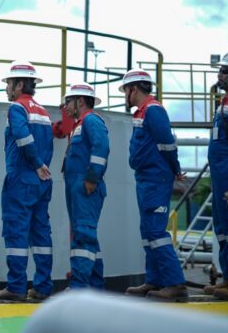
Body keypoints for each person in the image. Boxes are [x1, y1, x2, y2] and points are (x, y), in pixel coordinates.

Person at [121, 69, 187, 302]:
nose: (124, 95)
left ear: (133, 89)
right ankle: (155, 279)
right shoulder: (141, 112)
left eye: (125, 90)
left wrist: (175, 168)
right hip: (146, 177)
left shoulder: (153, 110)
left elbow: (167, 143)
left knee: (156, 232)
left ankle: (175, 284)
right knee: (147, 231)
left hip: (156, 178)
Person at [0, 61, 54, 302]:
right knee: (41, 234)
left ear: (19, 85)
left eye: (9, 83)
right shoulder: (43, 112)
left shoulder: (18, 108)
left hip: (22, 177)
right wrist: (41, 166)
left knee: (16, 232)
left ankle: (16, 287)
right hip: (42, 180)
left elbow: (22, 136)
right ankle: (42, 287)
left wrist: (35, 163)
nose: (6, 88)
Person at [61, 82, 108, 289]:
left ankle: (79, 288)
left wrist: (92, 178)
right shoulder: (79, 125)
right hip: (77, 186)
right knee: (87, 237)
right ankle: (96, 287)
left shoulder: (91, 120)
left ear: (80, 101)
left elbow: (102, 147)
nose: (65, 107)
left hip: (85, 187)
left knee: (83, 236)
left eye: (68, 102)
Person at [205, 51, 228, 300]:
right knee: (222, 228)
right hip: (221, 176)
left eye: (225, 71)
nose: (220, 75)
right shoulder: (225, 101)